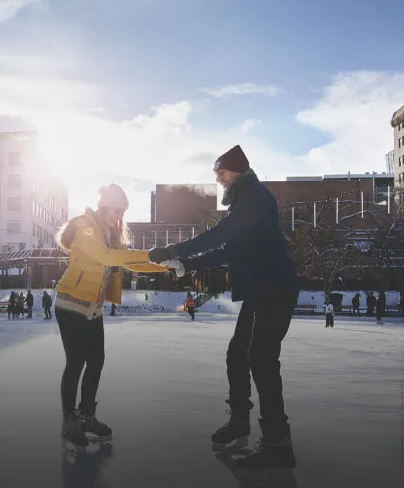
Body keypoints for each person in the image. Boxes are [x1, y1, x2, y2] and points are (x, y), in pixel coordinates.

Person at [148, 145, 298, 470]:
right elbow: (228, 251)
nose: (217, 179)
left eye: (221, 172)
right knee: (237, 354)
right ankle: (240, 424)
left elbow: (221, 235)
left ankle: (277, 444)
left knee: (261, 359)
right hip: (262, 291)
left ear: (239, 171)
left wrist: (174, 247)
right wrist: (184, 264)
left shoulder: (256, 197)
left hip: (274, 288)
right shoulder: (245, 202)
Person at [54, 184, 182, 448]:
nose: (118, 218)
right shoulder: (84, 226)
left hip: (93, 308)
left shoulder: (110, 234)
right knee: (76, 362)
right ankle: (69, 421)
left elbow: (127, 260)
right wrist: (150, 253)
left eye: (122, 213)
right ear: (104, 207)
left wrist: (163, 263)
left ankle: (87, 415)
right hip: (70, 305)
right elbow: (107, 257)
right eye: (116, 211)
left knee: (97, 360)